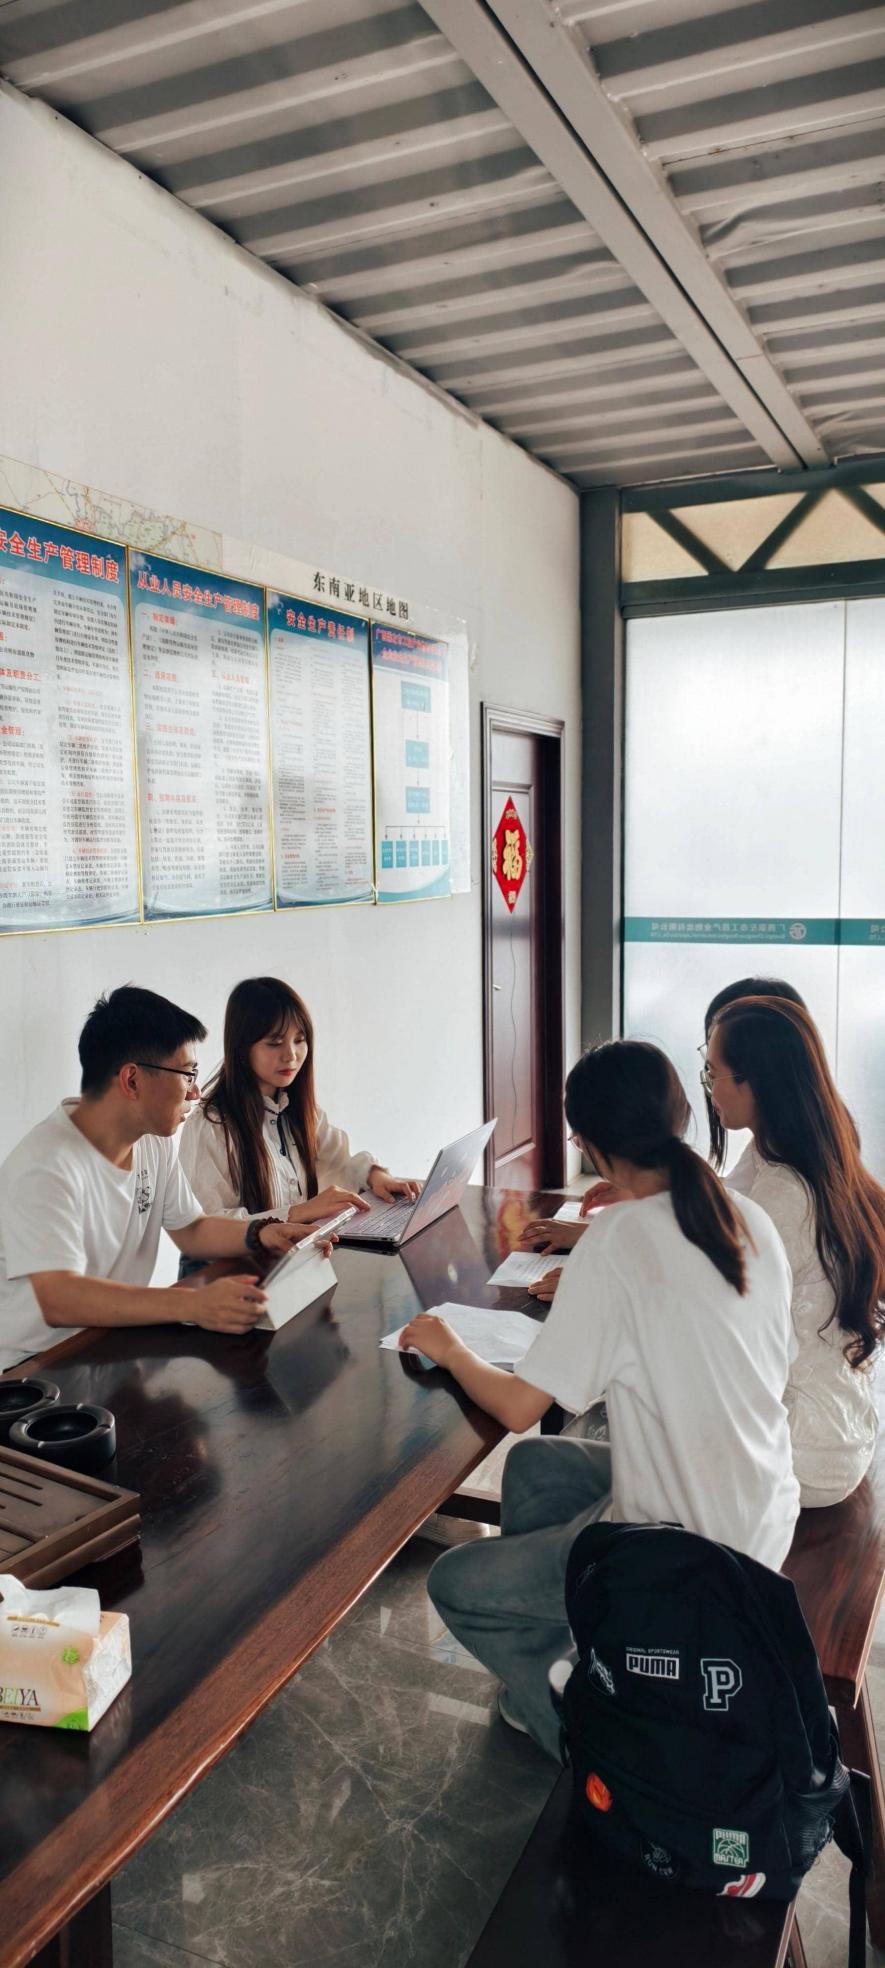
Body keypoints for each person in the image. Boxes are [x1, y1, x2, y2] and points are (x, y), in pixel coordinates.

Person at [397, 1039, 799, 1758]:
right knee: (536, 1466)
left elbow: (518, 1407)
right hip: (760, 1507)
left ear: (587, 1143)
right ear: (680, 1114)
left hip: (690, 1557)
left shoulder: (616, 1241)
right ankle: (587, 1651)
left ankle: (591, 1732)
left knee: (456, 1583)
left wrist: (450, 1347)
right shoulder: (740, 1214)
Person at [0, 986, 325, 1371]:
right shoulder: (46, 1166)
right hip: (32, 1373)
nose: (195, 1092)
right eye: (187, 1074)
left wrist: (263, 1232)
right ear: (132, 1081)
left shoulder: (152, 1141)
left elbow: (192, 1229)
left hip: (108, 1347)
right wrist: (192, 1304)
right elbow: (60, 1299)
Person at [704, 992, 885, 1505]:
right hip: (836, 1423)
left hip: (804, 1452)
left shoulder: (784, 1195)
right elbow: (720, 1207)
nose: (709, 1087)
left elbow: (714, 1313)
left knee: (631, 1412)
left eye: (714, 1073)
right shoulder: (796, 1151)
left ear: (755, 1082)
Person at [179, 976, 419, 1227]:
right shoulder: (211, 1125)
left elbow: (342, 1163)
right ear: (241, 1047)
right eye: (275, 1043)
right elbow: (207, 1227)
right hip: (253, 1255)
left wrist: (376, 1176)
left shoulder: (300, 1110)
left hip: (306, 1250)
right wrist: (300, 1212)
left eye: (300, 1040)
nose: (291, 1055)